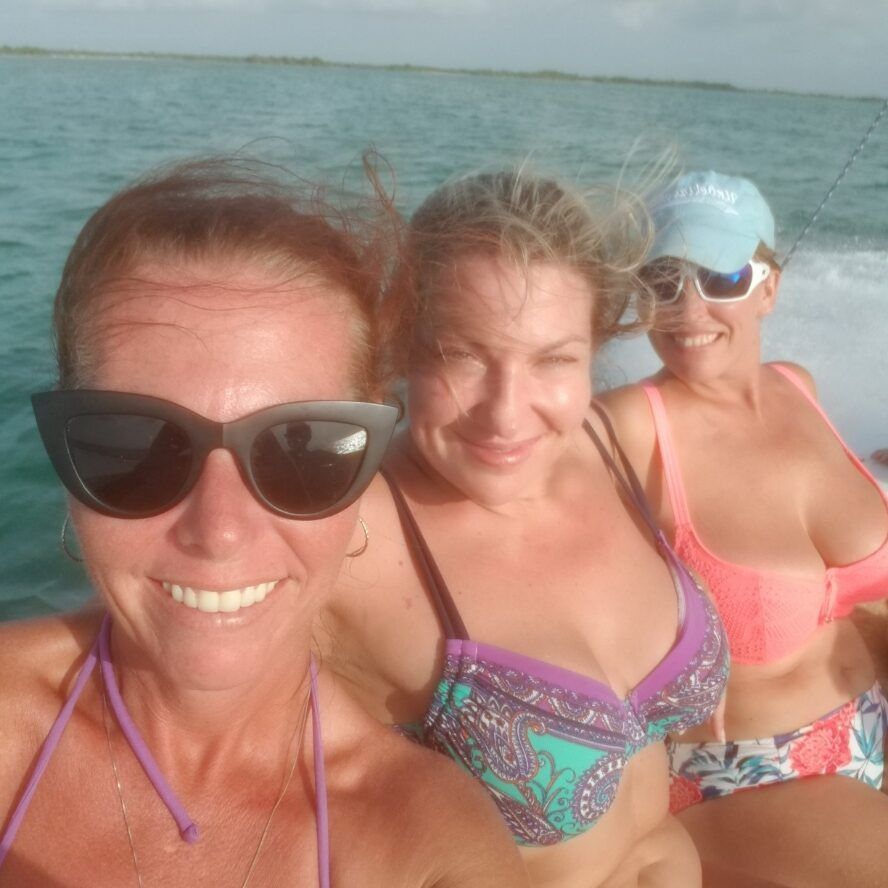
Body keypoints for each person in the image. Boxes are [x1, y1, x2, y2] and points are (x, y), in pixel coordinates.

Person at [0, 159, 529, 888]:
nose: (217, 531)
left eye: (301, 450)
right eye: (134, 445)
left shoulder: (426, 844)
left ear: (367, 475)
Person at [321, 170, 729, 888]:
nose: (507, 415)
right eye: (462, 355)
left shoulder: (610, 442)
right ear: (401, 347)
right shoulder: (349, 532)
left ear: (594, 349)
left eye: (554, 359)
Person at [599, 170, 888, 887]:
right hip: (748, 773)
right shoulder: (629, 427)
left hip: (872, 716)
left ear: (769, 287)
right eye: (663, 279)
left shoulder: (798, 386)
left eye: (722, 274)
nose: (688, 307)